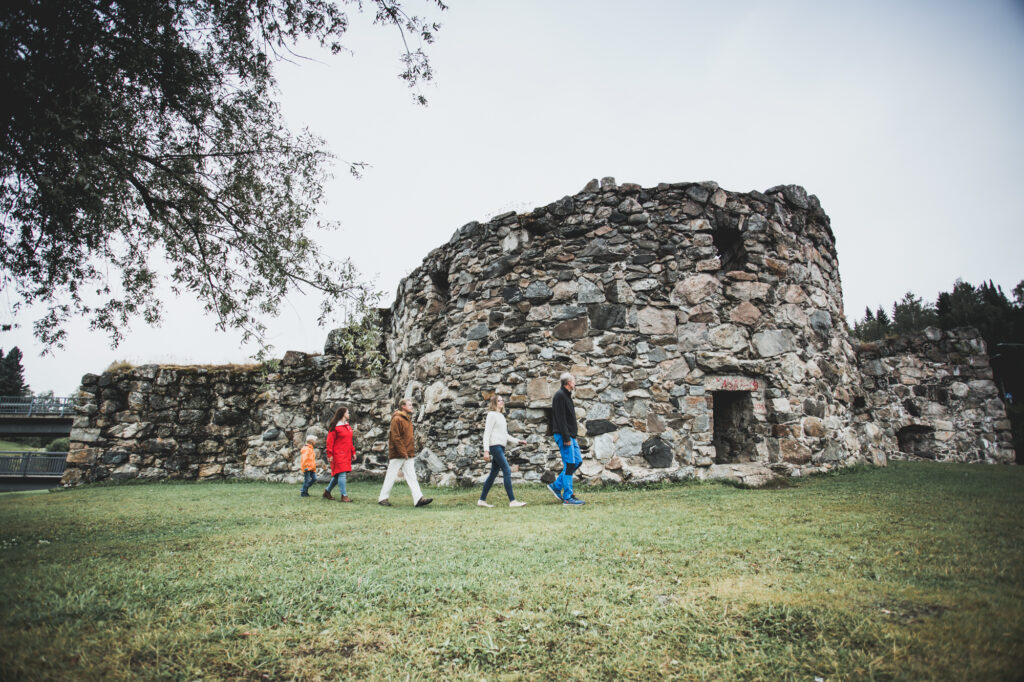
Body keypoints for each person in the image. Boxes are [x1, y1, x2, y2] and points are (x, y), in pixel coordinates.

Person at [378, 398, 433, 508]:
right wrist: (403, 452)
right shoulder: (397, 419)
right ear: (403, 406)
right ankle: (383, 498)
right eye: (409, 405)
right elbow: (395, 437)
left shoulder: (407, 419)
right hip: (399, 453)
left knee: (411, 476)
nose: (412, 406)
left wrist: (408, 452)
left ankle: (418, 499)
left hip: (408, 453)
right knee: (391, 475)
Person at [479, 394, 527, 508]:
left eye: (502, 400)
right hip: (494, 446)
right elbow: (487, 433)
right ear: (494, 403)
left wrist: (518, 441)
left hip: (501, 446)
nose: (502, 402)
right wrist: (486, 451)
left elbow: (505, 435)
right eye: (499, 400)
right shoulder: (491, 415)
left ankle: (482, 500)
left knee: (493, 474)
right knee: (506, 470)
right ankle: (512, 501)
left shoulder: (501, 416)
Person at [548, 372, 584, 505]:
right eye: (573, 380)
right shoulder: (559, 396)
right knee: (569, 464)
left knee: (577, 461)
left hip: (570, 436)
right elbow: (560, 418)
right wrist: (566, 436)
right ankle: (568, 497)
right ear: (568, 383)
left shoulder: (567, 395)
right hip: (564, 436)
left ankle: (556, 486)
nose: (575, 382)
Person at [323, 405, 355, 502]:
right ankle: (344, 495)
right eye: (347, 412)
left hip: (346, 453)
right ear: (343, 414)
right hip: (338, 454)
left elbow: (349, 440)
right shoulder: (335, 427)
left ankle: (327, 492)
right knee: (341, 474)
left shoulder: (347, 426)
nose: (349, 414)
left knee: (338, 475)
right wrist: (330, 454)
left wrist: (353, 451)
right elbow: (329, 442)